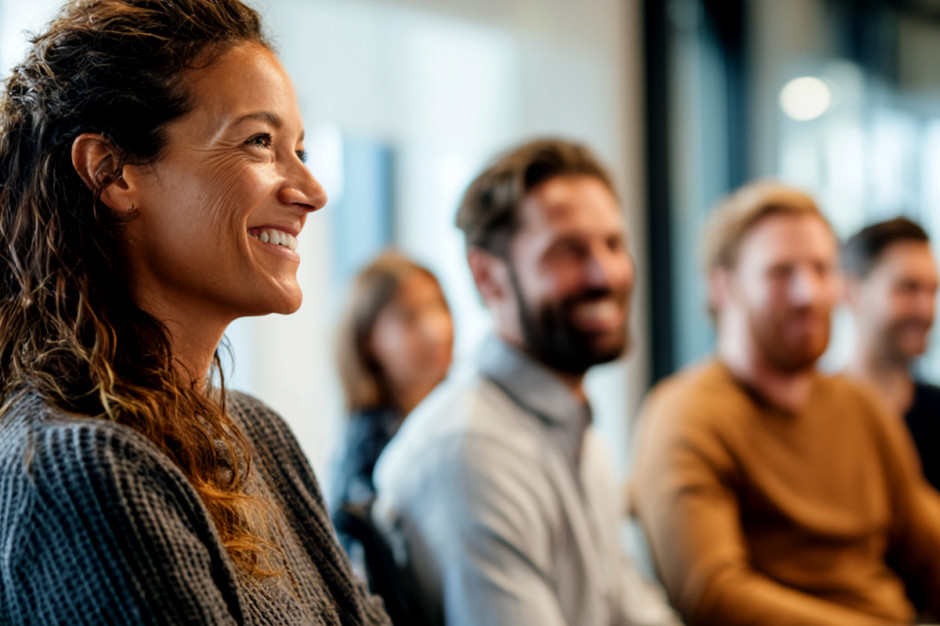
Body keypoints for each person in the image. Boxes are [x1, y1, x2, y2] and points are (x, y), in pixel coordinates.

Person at [0, 0, 390, 623]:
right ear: (112, 173)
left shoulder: (258, 435)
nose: (312, 192)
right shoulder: (82, 470)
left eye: (301, 149)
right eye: (260, 142)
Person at [373, 139, 682, 626]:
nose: (605, 273)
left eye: (614, 244)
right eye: (568, 251)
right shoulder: (472, 450)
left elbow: (628, 605)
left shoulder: (574, 427)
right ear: (488, 276)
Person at [632, 182, 940, 625]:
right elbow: (713, 594)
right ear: (723, 286)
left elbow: (929, 546)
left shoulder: (859, 406)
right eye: (781, 273)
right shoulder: (688, 414)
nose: (809, 294)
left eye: (821, 269)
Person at [329, 251, 453, 524]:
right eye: (409, 318)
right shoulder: (368, 450)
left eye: (440, 307)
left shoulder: (461, 410)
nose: (437, 330)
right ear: (369, 341)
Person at [843, 217, 940, 491]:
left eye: (933, 291)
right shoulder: (815, 415)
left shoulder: (936, 412)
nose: (926, 310)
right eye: (908, 288)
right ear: (852, 292)